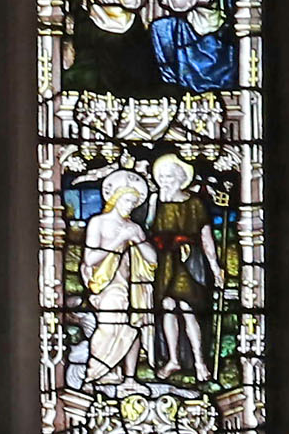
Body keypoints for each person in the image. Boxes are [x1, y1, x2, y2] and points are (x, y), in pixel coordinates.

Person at [148, 154, 222, 383]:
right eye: (161, 177)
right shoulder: (157, 200)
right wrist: (153, 203)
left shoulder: (195, 204)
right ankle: (173, 360)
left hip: (190, 260)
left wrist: (216, 267)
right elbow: (148, 228)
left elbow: (206, 237)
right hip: (166, 260)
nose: (164, 181)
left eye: (168, 176)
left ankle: (200, 362)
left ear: (181, 178)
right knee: (168, 306)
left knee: (187, 309)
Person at [78, 170, 156, 386]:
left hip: (132, 285)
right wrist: (119, 240)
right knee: (109, 327)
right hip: (107, 284)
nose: (130, 205)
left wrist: (138, 240)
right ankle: (96, 374)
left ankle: (129, 379)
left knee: (132, 330)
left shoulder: (134, 227)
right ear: (115, 198)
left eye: (134, 202)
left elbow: (152, 259)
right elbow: (90, 258)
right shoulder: (98, 223)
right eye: (127, 200)